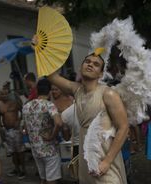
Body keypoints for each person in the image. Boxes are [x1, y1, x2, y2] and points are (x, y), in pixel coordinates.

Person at [47, 52, 128, 184]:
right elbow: (51, 75)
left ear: (100, 74)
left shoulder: (108, 93)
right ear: (81, 67)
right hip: (85, 156)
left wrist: (107, 161)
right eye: (87, 61)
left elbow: (124, 128)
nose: (90, 64)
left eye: (96, 64)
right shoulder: (76, 90)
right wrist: (41, 49)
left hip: (105, 157)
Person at [22, 79, 63, 184]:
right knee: (52, 180)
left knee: (43, 179)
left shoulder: (26, 107)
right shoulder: (49, 105)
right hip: (49, 149)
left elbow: (25, 129)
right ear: (49, 92)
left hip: (35, 150)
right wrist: (52, 136)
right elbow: (59, 123)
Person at [0, 87, 25, 179]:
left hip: (16, 130)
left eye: (5, 94)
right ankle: (17, 169)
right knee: (12, 152)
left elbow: (22, 111)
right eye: (2, 94)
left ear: (9, 94)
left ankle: (23, 170)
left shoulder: (14, 102)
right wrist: (0, 127)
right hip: (7, 131)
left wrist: (19, 121)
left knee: (20, 151)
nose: (4, 96)